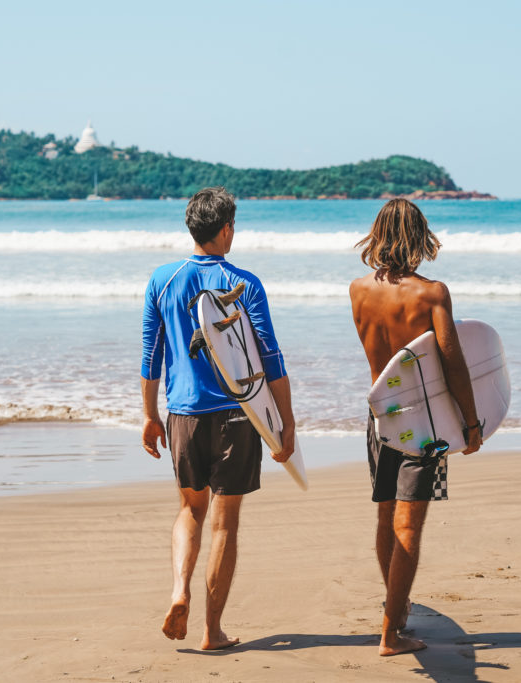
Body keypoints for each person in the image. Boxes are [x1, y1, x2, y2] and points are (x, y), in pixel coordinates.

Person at [140, 186, 296, 650]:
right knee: (225, 521)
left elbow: (152, 357)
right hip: (238, 416)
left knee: (190, 510)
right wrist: (283, 423)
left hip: (184, 414)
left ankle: (177, 590)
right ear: (226, 228)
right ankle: (211, 631)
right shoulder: (244, 282)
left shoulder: (162, 280)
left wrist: (150, 417)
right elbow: (270, 357)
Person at [349, 198, 483, 656]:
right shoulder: (432, 293)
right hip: (422, 424)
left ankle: (398, 612)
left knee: (387, 515)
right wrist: (470, 421)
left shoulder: (358, 290)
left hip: (379, 416)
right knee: (409, 525)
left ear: (378, 234)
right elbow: (453, 363)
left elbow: (386, 359)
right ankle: (391, 632)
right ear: (419, 236)